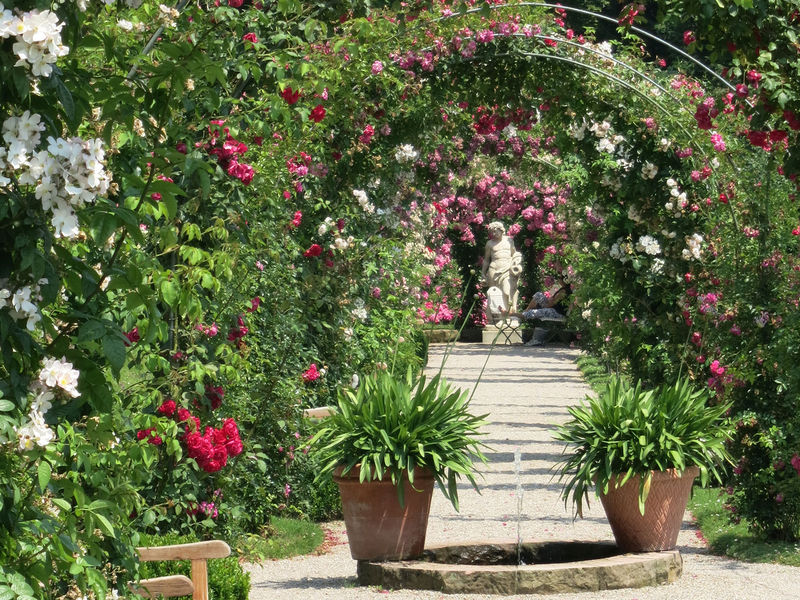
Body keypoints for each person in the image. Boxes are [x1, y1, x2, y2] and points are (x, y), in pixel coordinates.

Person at [481, 222, 522, 318]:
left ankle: (509, 315)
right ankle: (497, 318)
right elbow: (486, 260)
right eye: (492, 232)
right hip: (493, 270)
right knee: (494, 294)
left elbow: (514, 254)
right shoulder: (489, 243)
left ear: (501, 230)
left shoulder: (509, 241)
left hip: (506, 269)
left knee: (507, 291)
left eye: (496, 231)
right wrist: (483, 273)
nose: (494, 234)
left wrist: (516, 263)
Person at [519, 281, 571, 346]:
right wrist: (548, 301)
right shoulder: (563, 288)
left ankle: (516, 314)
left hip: (558, 313)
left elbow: (551, 304)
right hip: (552, 308)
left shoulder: (564, 291)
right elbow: (552, 302)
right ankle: (525, 312)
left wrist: (543, 305)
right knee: (538, 295)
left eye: (559, 278)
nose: (558, 280)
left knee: (536, 312)